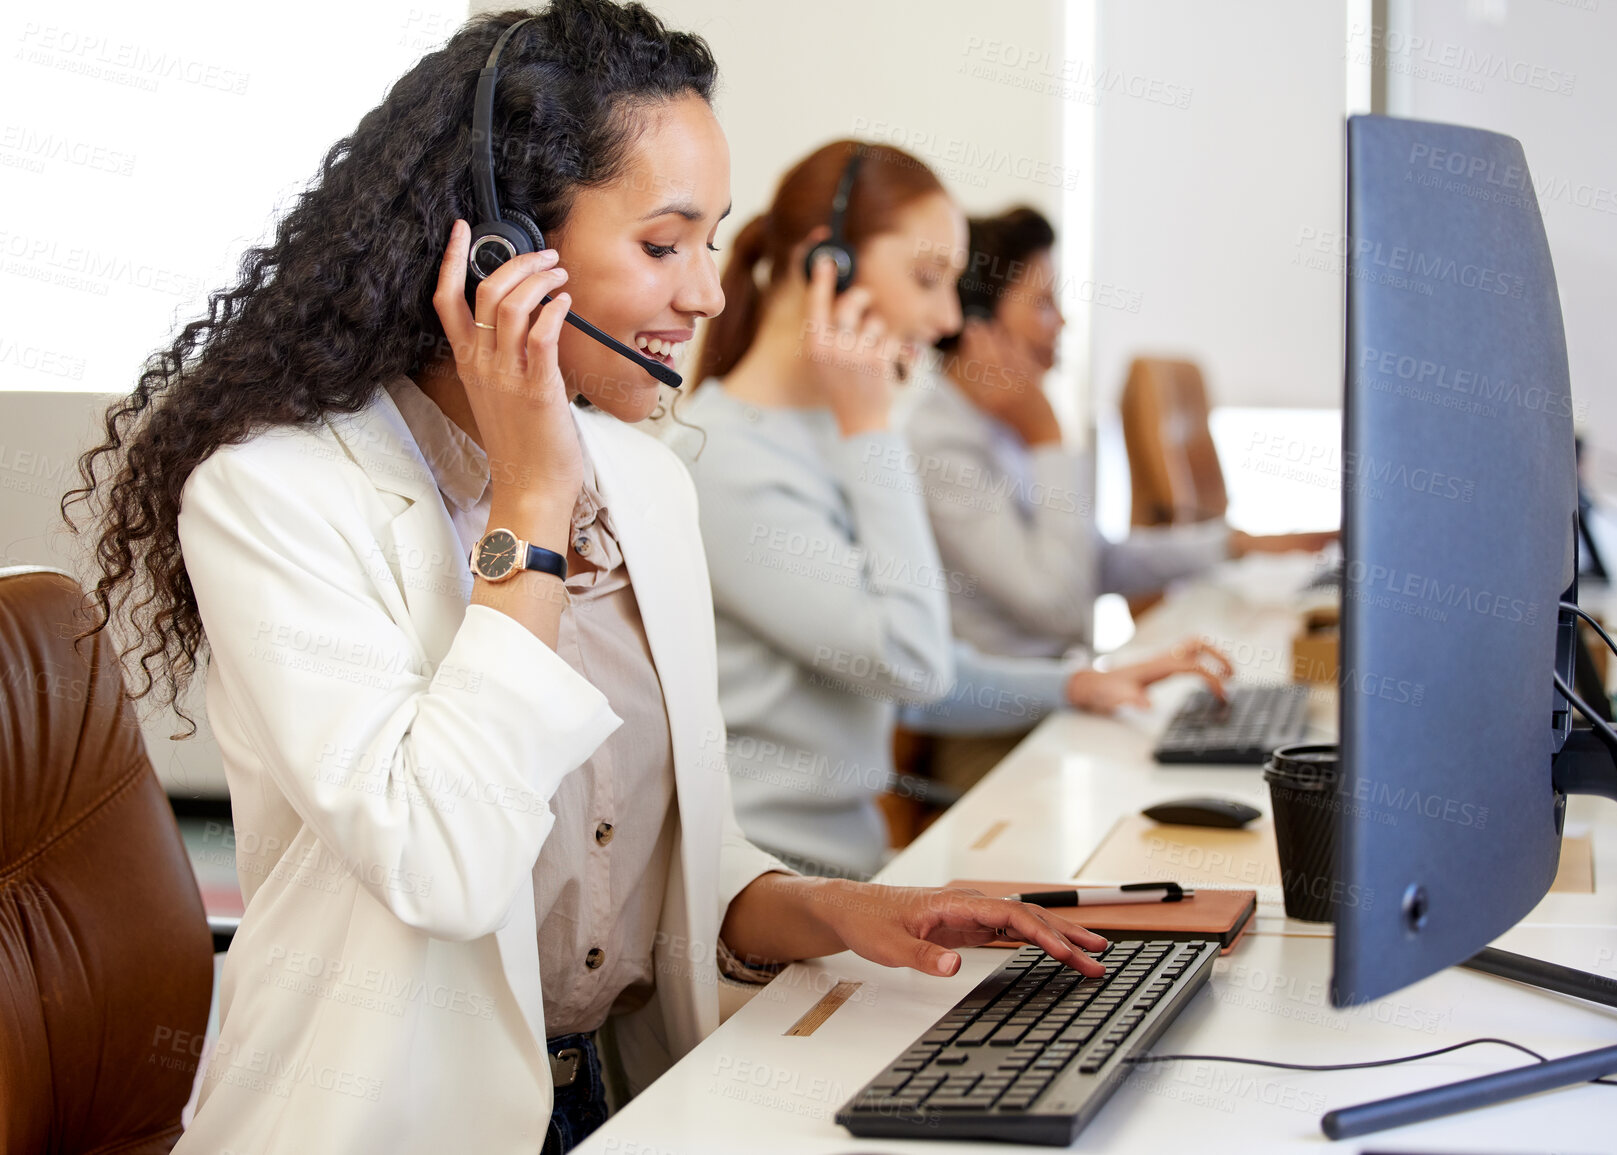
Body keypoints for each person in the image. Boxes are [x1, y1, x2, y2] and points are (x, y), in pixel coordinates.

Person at [64, 9, 1110, 1153]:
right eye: (664, 247)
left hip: (617, 1100)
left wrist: (830, 906)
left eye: (709, 243)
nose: (708, 295)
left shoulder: (645, 481)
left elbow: (636, 860)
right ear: (504, 251)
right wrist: (530, 503)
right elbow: (446, 864)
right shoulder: (274, 495)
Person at [673, 142, 1231, 879]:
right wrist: (871, 429)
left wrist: (1076, 684)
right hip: (770, 894)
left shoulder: (824, 435)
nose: (944, 318)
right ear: (824, 263)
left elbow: (917, 672)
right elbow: (910, 661)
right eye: (927, 278)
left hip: (851, 870)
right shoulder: (725, 461)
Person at [910, 206, 1335, 663]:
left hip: (1060, 693)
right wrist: (1047, 438)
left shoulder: (999, 423)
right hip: (1006, 724)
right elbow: (1062, 608)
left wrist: (1235, 544)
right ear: (979, 326)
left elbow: (1092, 561)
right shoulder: (942, 446)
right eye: (1044, 303)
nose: (1062, 323)